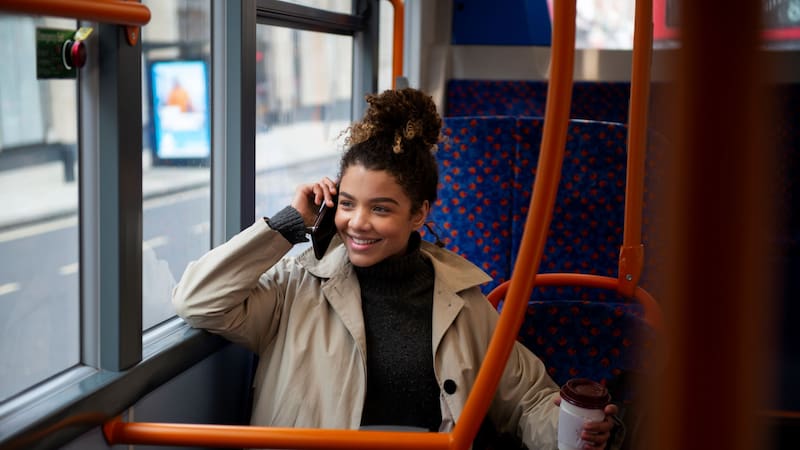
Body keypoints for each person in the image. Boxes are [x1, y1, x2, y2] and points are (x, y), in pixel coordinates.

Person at [172, 88, 620, 449]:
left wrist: (575, 430)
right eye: (346, 204)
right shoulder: (297, 285)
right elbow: (199, 300)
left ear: (419, 214)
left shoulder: (463, 303)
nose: (357, 222)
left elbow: (526, 401)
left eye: (381, 209)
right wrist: (289, 223)